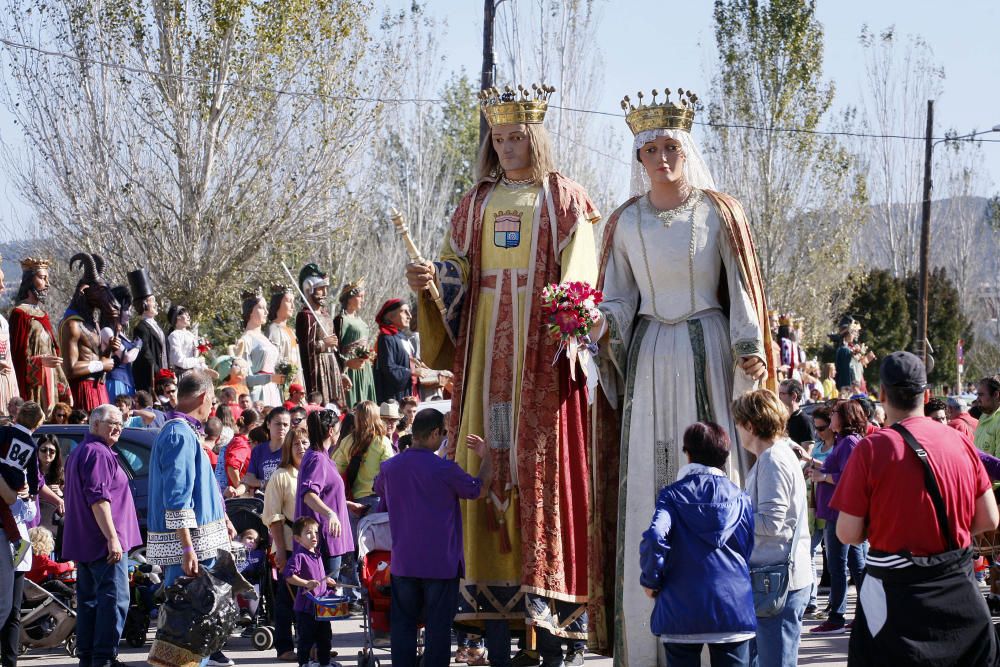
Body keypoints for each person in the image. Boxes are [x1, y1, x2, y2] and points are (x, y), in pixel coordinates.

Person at [406, 83, 601, 663]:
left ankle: (550, 614)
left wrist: (568, 316)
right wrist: (430, 282)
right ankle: (490, 610)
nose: (508, 146)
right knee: (483, 456)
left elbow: (581, 276)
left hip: (538, 352)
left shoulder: (564, 199)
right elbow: (455, 273)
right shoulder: (475, 202)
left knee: (539, 463)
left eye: (517, 136)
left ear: (535, 137)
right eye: (499, 138)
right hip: (486, 342)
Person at [592, 88, 772, 664]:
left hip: (706, 344)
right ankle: (649, 638)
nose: (662, 158)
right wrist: (598, 325)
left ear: (687, 149)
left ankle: (725, 626)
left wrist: (748, 346)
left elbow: (741, 287)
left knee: (717, 473)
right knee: (650, 470)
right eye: (652, 150)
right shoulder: (624, 221)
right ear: (639, 158)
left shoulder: (719, 212)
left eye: (671, 147)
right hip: (648, 351)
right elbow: (618, 297)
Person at [832, 351, 1000, 665]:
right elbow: (989, 518)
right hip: (957, 592)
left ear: (882, 394)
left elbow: (848, 533)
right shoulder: (960, 441)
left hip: (893, 601)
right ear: (926, 395)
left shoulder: (871, 449)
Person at [374, 408, 493, 667]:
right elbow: (480, 489)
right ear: (435, 433)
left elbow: (378, 487)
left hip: (405, 563)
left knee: (403, 627)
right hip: (440, 565)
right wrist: (488, 458)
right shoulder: (444, 469)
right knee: (437, 630)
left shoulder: (390, 467)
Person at [639, 422, 754, 667]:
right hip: (733, 604)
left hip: (680, 604)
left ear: (688, 453)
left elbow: (656, 535)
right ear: (725, 455)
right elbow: (747, 547)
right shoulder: (741, 497)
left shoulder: (671, 495)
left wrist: (651, 580)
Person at [145, 369, 235, 667]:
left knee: (199, 629)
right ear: (202, 396)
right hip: (192, 550)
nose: (212, 407)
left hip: (199, 547)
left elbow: (200, 488)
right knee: (189, 629)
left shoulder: (183, 431)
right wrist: (186, 547)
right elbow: (177, 496)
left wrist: (223, 517)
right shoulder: (178, 433)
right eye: (212, 400)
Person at [733, 390, 811, 667]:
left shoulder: (772, 459)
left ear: (750, 425)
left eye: (738, 424)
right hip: (776, 579)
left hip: (778, 582)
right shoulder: (777, 454)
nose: (737, 431)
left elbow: (772, 523)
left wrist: (730, 518)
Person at [62, 403, 141, 667]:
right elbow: (98, 499)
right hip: (102, 544)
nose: (118, 428)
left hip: (86, 542)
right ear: (95, 424)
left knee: (90, 602)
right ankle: (104, 658)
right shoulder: (97, 452)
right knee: (114, 600)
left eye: (121, 423)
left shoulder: (81, 451)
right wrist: (112, 538)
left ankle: (89, 658)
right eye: (112, 423)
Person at [807, 400, 867, 635]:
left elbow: (850, 478)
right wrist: (820, 471)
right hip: (840, 511)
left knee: (838, 565)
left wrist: (823, 477)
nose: (830, 417)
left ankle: (837, 617)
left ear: (844, 418)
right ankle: (860, 616)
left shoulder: (849, 442)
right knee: (853, 565)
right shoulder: (846, 441)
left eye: (834, 413)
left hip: (841, 512)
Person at [262, 425, 311, 662]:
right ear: (288, 449)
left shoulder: (313, 473)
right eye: (296, 444)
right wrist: (281, 551)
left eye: (305, 443)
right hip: (289, 547)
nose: (301, 447)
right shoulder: (281, 476)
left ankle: (312, 645)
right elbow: (274, 517)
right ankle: (284, 647)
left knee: (311, 597)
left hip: (311, 547)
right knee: (286, 600)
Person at [298, 409, 352, 614]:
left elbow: (325, 495)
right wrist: (331, 514)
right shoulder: (317, 459)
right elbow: (309, 494)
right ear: (331, 431)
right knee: (322, 602)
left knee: (323, 602)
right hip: (325, 540)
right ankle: (316, 636)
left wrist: (345, 505)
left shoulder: (320, 456)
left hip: (328, 538)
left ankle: (318, 636)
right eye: (338, 430)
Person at [58, 253, 121, 412]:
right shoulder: (72, 324)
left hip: (97, 388)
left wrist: (109, 350)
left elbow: (96, 358)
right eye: (99, 291)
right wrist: (101, 364)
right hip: (82, 391)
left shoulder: (94, 324)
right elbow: (70, 369)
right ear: (84, 290)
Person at [9, 257, 70, 414]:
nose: (47, 283)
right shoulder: (20, 314)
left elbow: (52, 350)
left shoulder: (43, 314)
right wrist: (40, 361)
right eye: (42, 278)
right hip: (33, 387)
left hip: (50, 380)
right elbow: (17, 356)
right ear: (30, 281)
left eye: (47, 279)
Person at [791, 406, 835, 618]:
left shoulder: (839, 446)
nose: (818, 432)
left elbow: (835, 471)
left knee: (835, 559)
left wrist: (812, 464)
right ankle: (812, 600)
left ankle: (836, 603)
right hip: (813, 505)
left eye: (822, 428)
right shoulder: (818, 445)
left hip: (831, 506)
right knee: (809, 552)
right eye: (816, 428)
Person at [283, 517, 342, 667]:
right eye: (308, 533)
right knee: (306, 640)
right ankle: (304, 663)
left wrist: (326, 580)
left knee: (325, 638)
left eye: (316, 532)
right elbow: (288, 576)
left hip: (321, 607)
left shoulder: (317, 554)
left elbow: (318, 577)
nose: (314, 536)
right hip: (306, 608)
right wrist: (305, 583)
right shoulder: (299, 556)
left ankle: (324, 663)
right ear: (298, 538)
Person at [0, 401, 48, 566]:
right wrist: (32, 493)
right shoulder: (32, 444)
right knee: (5, 510)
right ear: (37, 424)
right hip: (15, 480)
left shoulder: (6, 431)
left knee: (4, 510)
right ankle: (17, 542)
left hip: (3, 475)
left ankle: (17, 542)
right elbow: (33, 472)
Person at [295, 263, 347, 408]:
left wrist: (341, 372)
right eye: (320, 289)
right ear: (309, 289)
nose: (324, 292)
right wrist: (324, 344)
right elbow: (305, 348)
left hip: (332, 366)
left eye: (325, 288)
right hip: (318, 368)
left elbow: (335, 347)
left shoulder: (326, 315)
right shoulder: (306, 316)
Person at [0, 468, 34, 667]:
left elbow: (30, 515)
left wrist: (27, 497)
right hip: (3, 543)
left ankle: (10, 662)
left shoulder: (20, 473)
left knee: (14, 611)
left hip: (19, 549)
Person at [236, 290, 286, 408]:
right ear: (250, 312)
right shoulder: (245, 340)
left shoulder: (265, 339)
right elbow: (244, 378)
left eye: (266, 308)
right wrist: (269, 378)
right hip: (258, 394)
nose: (266, 312)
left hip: (273, 390)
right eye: (261, 308)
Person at [333, 278, 376, 406]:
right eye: (360, 296)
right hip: (350, 368)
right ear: (350, 298)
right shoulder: (341, 320)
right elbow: (336, 348)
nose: (363, 300)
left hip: (364, 368)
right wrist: (344, 366)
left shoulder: (360, 320)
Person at [128, 268, 166, 395]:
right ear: (144, 304)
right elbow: (145, 353)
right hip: (149, 378)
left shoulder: (156, 325)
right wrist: (158, 372)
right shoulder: (141, 328)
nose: (156, 304)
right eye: (152, 301)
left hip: (161, 374)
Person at [100, 286, 141, 402]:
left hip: (128, 382)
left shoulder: (121, 333)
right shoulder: (106, 331)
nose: (129, 314)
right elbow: (126, 357)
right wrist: (138, 346)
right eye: (126, 309)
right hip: (115, 382)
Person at [373, 299, 414, 404]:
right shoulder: (386, 338)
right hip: (392, 396)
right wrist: (411, 372)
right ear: (390, 316)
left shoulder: (402, 336)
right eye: (404, 311)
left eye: (409, 311)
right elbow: (388, 368)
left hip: (406, 391)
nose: (409, 316)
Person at [266, 284, 305, 391]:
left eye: (293, 301)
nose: (292, 306)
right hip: (282, 386)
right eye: (288, 301)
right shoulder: (273, 330)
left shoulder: (291, 331)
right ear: (278, 303)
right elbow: (274, 362)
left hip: (296, 385)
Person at [243, 406, 291, 494]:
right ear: (268, 424)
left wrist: (260, 483)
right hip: (263, 500)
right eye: (278, 424)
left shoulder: (292, 449)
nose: (282, 427)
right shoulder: (258, 450)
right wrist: (235, 492)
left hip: (286, 498)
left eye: (285, 425)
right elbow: (249, 479)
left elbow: (289, 481)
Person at [166, 305, 216, 379]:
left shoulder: (190, 335)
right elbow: (179, 361)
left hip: (193, 375)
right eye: (186, 315)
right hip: (182, 376)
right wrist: (198, 360)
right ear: (178, 317)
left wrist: (204, 368)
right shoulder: (174, 335)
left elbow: (195, 356)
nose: (189, 317)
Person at [220, 408, 258, 497]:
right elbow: (232, 466)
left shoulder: (241, 440)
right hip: (240, 497)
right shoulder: (241, 442)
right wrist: (239, 489)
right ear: (253, 425)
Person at [0, 262, 20, 411]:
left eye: (3, 281)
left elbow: (9, 359)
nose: (2, 286)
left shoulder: (3, 321)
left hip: (6, 385)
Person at [36, 434, 64, 532]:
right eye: (43, 449)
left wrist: (60, 493)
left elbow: (68, 501)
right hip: (34, 521)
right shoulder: (30, 471)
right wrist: (45, 492)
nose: (47, 453)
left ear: (56, 453)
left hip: (53, 523)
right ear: (37, 450)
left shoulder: (62, 473)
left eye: (52, 451)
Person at [778, 379, 816, 445]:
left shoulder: (804, 421)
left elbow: (806, 450)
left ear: (794, 396)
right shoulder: (781, 419)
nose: (779, 397)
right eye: (779, 394)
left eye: (782, 394)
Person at [974, 376, 1000, 457]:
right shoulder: (983, 416)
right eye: (977, 395)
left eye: (981, 395)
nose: (977, 399)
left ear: (996, 394)